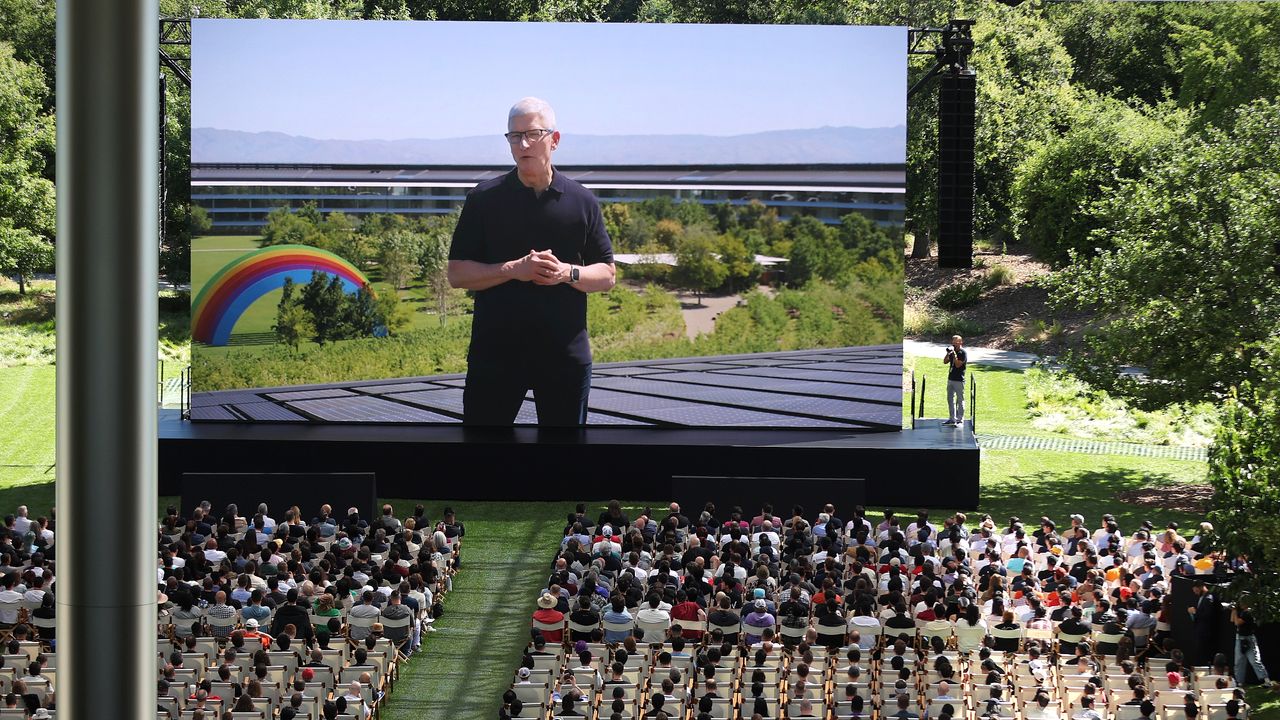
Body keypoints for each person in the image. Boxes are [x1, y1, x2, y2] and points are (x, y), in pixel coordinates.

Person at [447, 96, 616, 426]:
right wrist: (514, 269)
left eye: (533, 134)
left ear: (554, 139)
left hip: (565, 361)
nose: (523, 143)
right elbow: (457, 273)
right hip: (495, 359)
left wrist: (567, 273)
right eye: (514, 136)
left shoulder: (582, 201)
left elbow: (607, 275)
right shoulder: (484, 199)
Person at [1232, 597, 1278, 689]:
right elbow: (1232, 620)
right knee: (1239, 661)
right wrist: (1234, 610)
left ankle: (1266, 681)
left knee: (1255, 661)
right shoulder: (1241, 612)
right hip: (1239, 638)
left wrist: (1235, 611)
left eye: (1242, 602)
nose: (1240, 604)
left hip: (1249, 639)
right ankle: (1239, 682)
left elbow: (1237, 622)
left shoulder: (1248, 613)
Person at [942, 335, 968, 426]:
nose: (954, 344)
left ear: (961, 342)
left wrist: (954, 355)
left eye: (956, 342)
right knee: (950, 399)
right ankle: (952, 418)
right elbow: (945, 361)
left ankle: (960, 419)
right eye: (953, 342)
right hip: (951, 379)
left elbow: (957, 365)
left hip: (959, 380)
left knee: (960, 400)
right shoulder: (952, 352)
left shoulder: (962, 353)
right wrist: (948, 353)